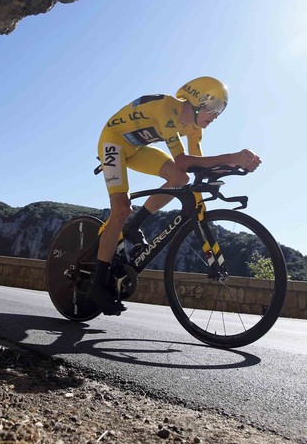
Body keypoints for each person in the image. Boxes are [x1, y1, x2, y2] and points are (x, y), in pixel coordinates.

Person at [92, 76, 261, 315]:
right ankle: (98, 285)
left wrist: (236, 166)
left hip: (137, 149)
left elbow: (197, 165)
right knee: (120, 210)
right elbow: (183, 161)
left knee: (180, 180)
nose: (216, 116)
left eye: (221, 111)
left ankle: (133, 227)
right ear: (197, 101)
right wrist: (231, 157)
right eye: (214, 108)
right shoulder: (166, 110)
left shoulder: (194, 128)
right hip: (113, 142)